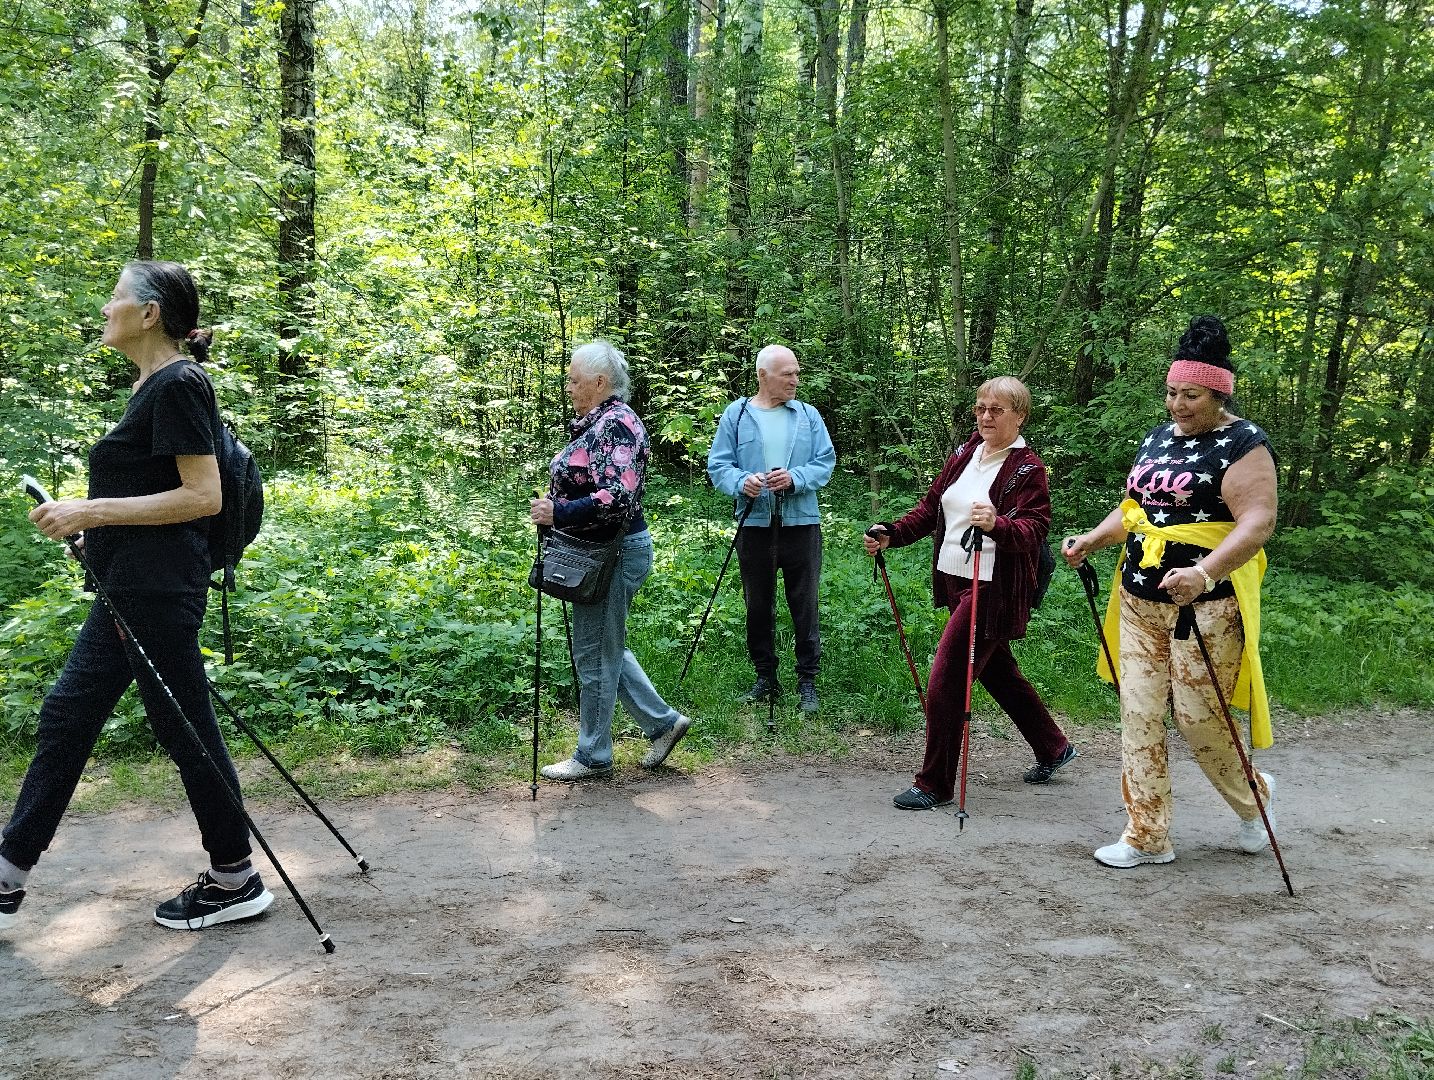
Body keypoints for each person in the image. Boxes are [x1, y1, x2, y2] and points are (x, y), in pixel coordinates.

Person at [0, 261, 272, 934]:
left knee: (185, 730)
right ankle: (8, 876)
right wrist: (101, 537)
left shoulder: (179, 383)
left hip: (158, 593)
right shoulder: (151, 384)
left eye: (115, 298)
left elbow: (202, 497)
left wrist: (92, 512)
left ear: (149, 314)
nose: (104, 309)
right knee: (69, 715)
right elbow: (159, 492)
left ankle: (235, 878)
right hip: (130, 587)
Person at [1062, 315, 1278, 869]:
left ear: (1219, 392)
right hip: (1139, 600)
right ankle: (1146, 835)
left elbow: (1256, 523)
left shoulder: (1243, 444)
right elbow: (1135, 510)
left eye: (1192, 395)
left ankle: (1254, 799)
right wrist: (1093, 538)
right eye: (1173, 392)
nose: (1178, 405)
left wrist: (1204, 573)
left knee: (1199, 719)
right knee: (1138, 715)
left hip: (1205, 606)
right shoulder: (1158, 438)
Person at [866, 376, 1077, 810]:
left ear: (1020, 415)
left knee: (946, 678)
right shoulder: (964, 453)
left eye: (996, 410)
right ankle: (1053, 746)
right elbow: (931, 508)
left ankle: (935, 783)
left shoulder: (1027, 468)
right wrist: (892, 534)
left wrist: (997, 524)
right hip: (956, 580)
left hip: (994, 588)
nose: (985, 416)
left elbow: (1035, 530)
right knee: (997, 671)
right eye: (980, 408)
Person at [530, 341, 692, 780]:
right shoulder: (596, 422)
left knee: (595, 654)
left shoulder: (617, 425)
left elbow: (615, 496)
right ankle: (661, 723)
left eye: (574, 379)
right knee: (603, 647)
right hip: (592, 553)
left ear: (600, 382)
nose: (568, 386)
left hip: (613, 554)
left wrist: (558, 511)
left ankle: (593, 755)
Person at [706, 345, 836, 712]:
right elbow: (719, 466)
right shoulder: (737, 413)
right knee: (758, 604)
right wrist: (741, 482)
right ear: (763, 375)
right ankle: (765, 677)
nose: (795, 380)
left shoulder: (808, 416)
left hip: (801, 523)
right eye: (787, 374)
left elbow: (824, 463)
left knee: (804, 603)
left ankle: (807, 681)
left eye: (797, 372)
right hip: (755, 525)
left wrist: (794, 478)